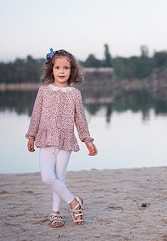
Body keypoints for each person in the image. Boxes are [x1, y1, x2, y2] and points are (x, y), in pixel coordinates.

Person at [26, 48, 98, 228]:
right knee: (48, 178)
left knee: (59, 178)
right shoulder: (44, 91)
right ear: (51, 69)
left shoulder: (74, 94)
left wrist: (87, 140)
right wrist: (31, 135)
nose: (61, 71)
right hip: (45, 138)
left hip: (66, 141)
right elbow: (36, 114)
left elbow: (80, 120)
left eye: (66, 68)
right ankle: (74, 202)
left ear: (72, 71)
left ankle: (55, 215)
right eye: (57, 67)